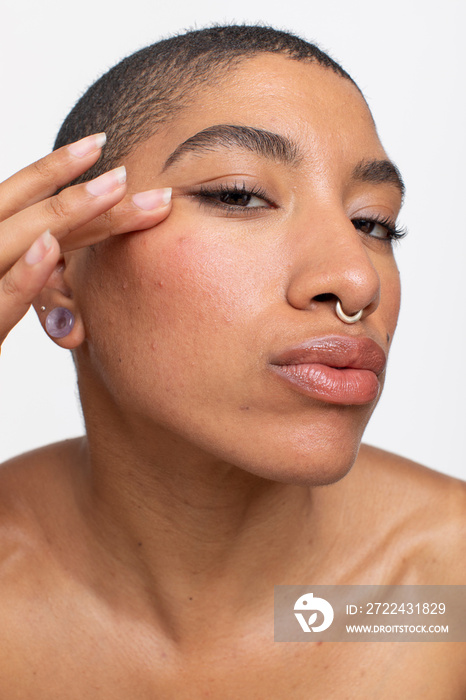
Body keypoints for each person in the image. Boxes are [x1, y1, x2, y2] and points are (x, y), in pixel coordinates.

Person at [0, 24, 465, 698]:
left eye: (374, 224)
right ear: (58, 276)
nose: (356, 279)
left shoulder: (443, 594)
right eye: (239, 194)